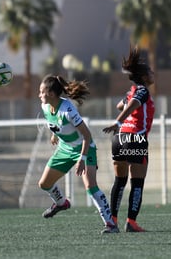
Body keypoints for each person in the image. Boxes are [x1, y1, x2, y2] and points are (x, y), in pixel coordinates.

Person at [38, 74, 118, 234]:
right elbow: (54, 123)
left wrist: (81, 158)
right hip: (64, 149)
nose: (39, 95)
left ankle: (111, 224)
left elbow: (87, 136)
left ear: (51, 94)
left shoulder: (68, 110)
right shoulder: (46, 107)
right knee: (44, 184)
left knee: (90, 186)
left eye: (41, 92)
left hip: (84, 148)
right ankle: (61, 203)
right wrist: (55, 134)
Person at [102, 46, 155, 232]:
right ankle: (131, 223)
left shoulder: (130, 91)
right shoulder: (142, 91)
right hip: (136, 139)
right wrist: (118, 121)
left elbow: (121, 104)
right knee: (137, 182)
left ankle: (112, 222)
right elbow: (132, 105)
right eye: (150, 71)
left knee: (119, 181)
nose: (153, 73)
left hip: (119, 138)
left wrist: (121, 120)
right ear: (143, 76)